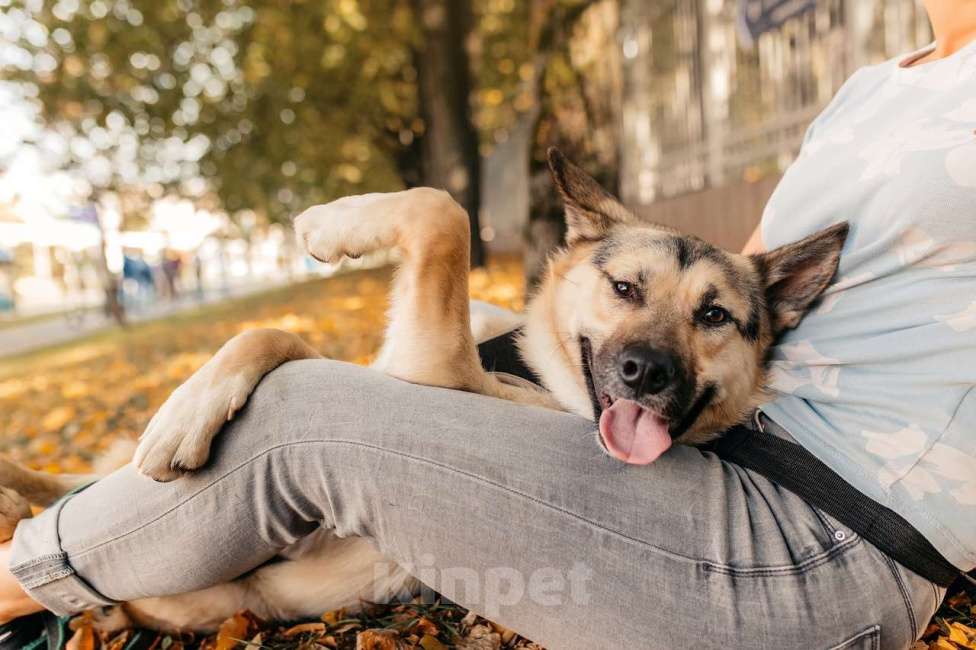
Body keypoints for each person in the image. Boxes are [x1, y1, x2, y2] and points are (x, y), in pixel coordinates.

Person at [1, 1, 973, 648]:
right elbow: (729, 275)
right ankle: (77, 510)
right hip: (717, 462)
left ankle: (17, 576)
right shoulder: (875, 85)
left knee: (306, 415)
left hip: (819, 542)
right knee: (473, 326)